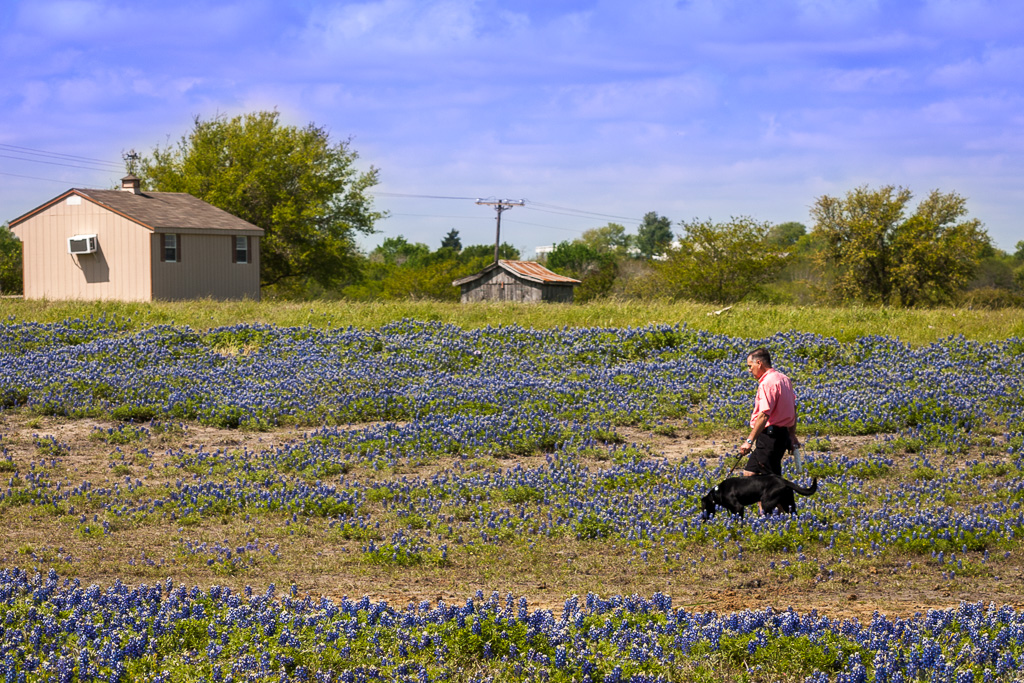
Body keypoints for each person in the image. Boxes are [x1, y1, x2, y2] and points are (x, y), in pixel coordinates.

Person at [738, 348, 799, 477]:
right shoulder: (784, 379)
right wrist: (792, 435)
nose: (749, 370)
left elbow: (764, 414)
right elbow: (793, 409)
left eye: (750, 366)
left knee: (769, 481)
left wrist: (749, 441)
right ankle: (764, 497)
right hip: (781, 435)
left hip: (770, 436)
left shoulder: (767, 383)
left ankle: (773, 498)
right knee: (750, 473)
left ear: (759, 363)